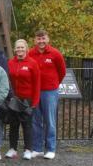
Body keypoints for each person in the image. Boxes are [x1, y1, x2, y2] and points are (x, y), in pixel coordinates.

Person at [28, 29, 66, 159]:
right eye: (38, 39)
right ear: (35, 40)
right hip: (35, 91)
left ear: (47, 39)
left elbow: (62, 72)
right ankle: (37, 148)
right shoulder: (30, 53)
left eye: (43, 38)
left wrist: (53, 84)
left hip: (49, 92)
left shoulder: (55, 54)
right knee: (35, 120)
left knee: (49, 120)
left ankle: (50, 148)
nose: (41, 41)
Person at [6, 39, 41, 161]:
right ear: (15, 49)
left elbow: (37, 85)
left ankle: (28, 150)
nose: (19, 50)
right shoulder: (10, 63)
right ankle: (12, 149)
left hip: (28, 100)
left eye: (22, 47)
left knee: (27, 125)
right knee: (13, 125)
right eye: (17, 47)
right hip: (14, 99)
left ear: (26, 49)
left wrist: (35, 103)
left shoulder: (32, 63)